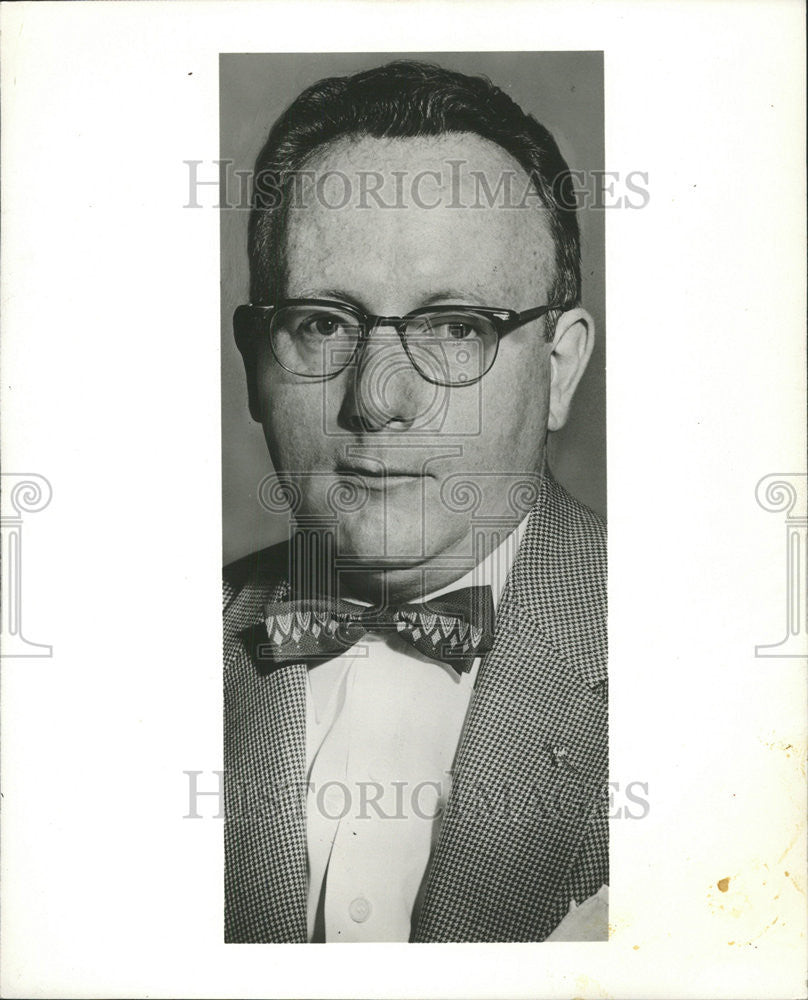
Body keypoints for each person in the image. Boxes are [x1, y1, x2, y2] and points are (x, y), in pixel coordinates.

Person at [223, 60, 607, 943]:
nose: (381, 398)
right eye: (323, 323)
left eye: (454, 327)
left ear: (559, 369)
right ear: (254, 360)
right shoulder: (128, 670)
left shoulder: (716, 662)